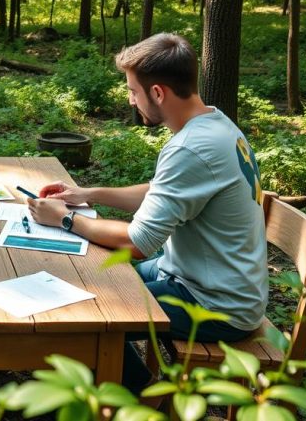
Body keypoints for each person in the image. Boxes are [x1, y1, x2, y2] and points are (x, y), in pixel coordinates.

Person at [27, 33, 268, 394]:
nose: (130, 99)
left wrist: (64, 218)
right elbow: (162, 192)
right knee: (95, 281)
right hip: (202, 275)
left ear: (158, 93)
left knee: (85, 319)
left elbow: (139, 242)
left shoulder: (191, 147)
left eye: (132, 91)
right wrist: (88, 194)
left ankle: (141, 403)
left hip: (216, 302)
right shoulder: (216, 123)